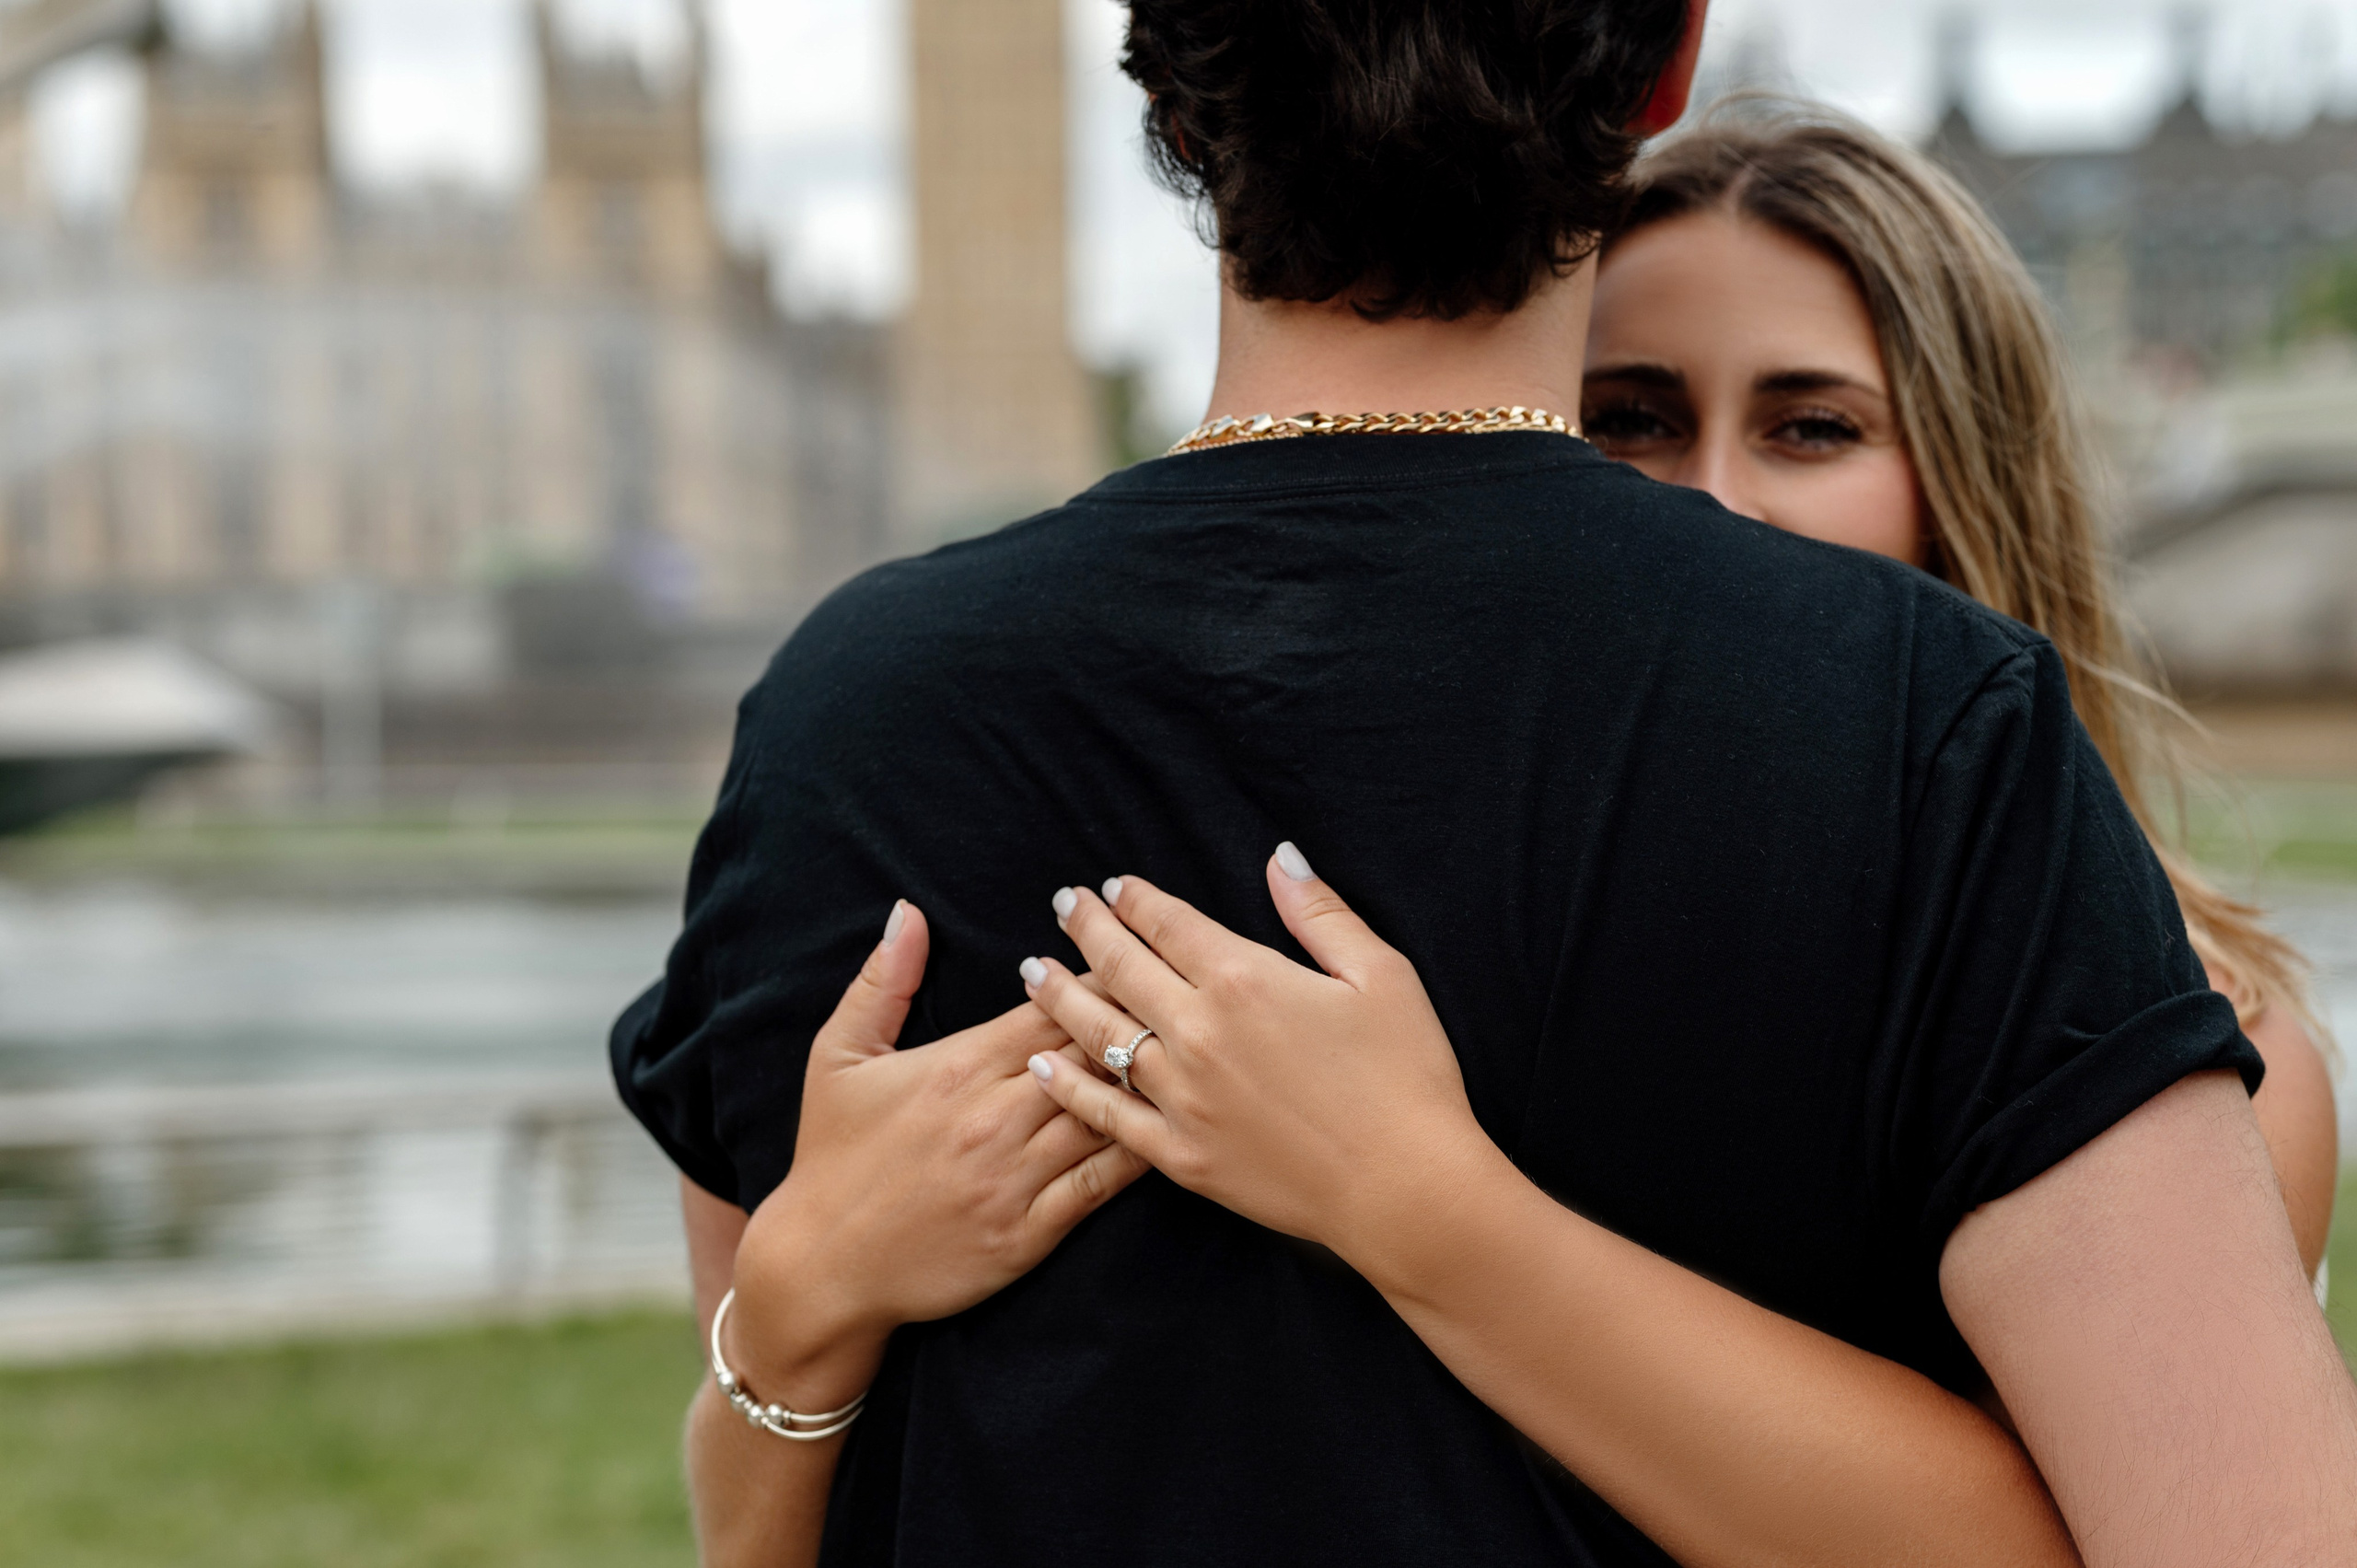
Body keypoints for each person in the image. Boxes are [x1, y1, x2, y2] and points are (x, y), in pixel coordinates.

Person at [611, 7, 2357, 1568]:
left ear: (1171, 76)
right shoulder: (1920, 725)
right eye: (1644, 414)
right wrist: (801, 1305)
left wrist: (1432, 1214)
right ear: (1663, 70)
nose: (1721, 492)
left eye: (1812, 428)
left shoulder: (848, 715)